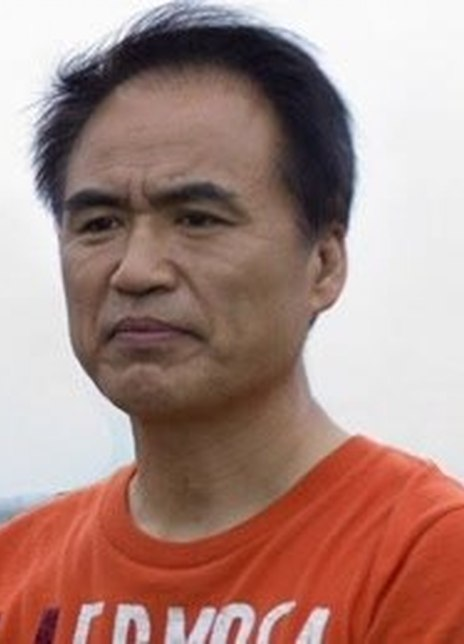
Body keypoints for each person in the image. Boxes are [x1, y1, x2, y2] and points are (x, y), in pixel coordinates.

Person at [1, 3, 463, 642]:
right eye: (100, 224)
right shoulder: (18, 569)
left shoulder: (426, 558)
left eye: (197, 219)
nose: (136, 271)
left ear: (324, 263)